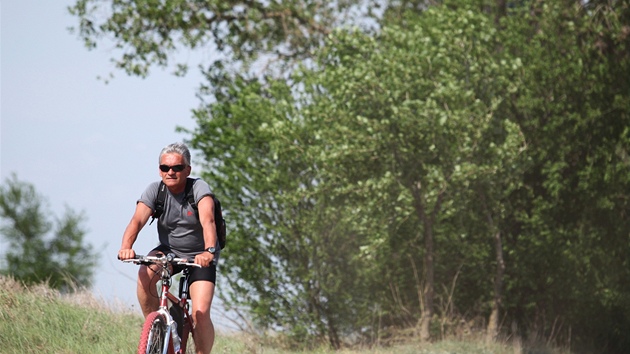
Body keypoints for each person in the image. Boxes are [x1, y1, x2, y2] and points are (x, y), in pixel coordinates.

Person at [118, 142, 219, 354]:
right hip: (169, 250)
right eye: (165, 168)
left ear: (187, 170)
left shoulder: (198, 189)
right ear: (159, 170)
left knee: (200, 314)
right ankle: (156, 331)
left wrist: (208, 251)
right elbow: (137, 220)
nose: (170, 172)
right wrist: (126, 247)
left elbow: (208, 221)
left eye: (177, 168)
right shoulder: (156, 190)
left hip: (200, 255)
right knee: (144, 275)